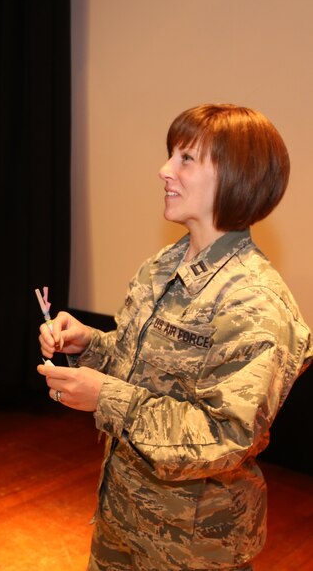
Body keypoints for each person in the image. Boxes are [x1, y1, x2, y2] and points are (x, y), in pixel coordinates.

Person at [37, 103, 311, 571]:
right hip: (121, 518)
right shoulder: (164, 264)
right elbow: (139, 365)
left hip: (192, 547)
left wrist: (108, 398)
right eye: (171, 156)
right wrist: (90, 345)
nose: (164, 171)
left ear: (235, 176)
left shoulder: (256, 302)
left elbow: (227, 436)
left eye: (186, 159)